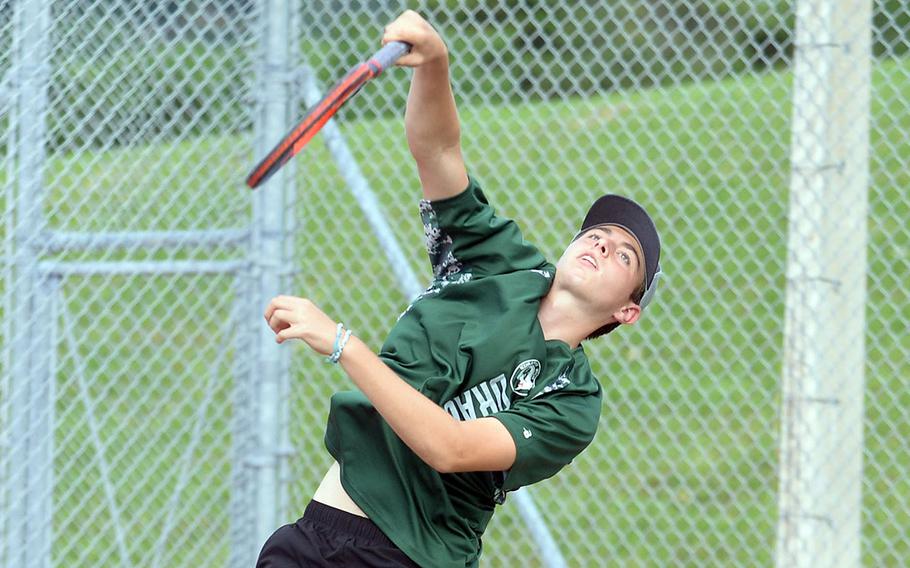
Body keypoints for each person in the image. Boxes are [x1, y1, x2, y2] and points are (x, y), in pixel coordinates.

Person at [256, 9, 662, 568]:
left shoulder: (573, 401)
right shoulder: (502, 263)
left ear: (627, 310)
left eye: (625, 254)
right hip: (318, 530)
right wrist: (435, 63)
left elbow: (450, 449)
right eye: (595, 233)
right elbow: (439, 154)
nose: (599, 245)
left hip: (412, 558)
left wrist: (342, 343)